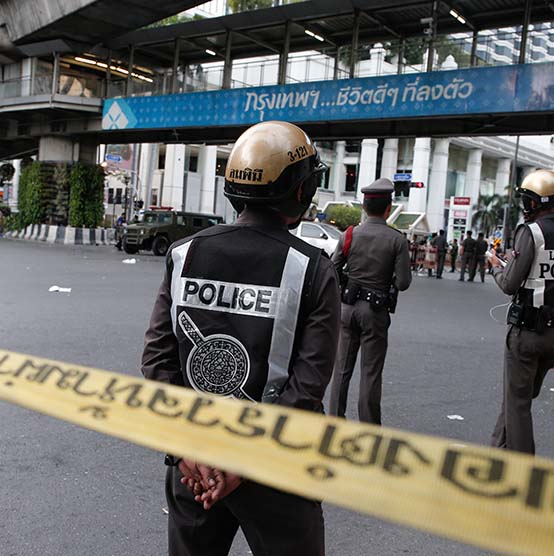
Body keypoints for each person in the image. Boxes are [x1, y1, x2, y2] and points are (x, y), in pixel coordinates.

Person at [141, 121, 339, 556]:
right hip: (277, 468)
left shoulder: (184, 253)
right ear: (301, 191)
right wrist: (244, 462)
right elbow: (307, 385)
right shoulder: (312, 269)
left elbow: (157, 361)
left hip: (194, 464)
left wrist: (184, 449)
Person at [487, 169, 554, 454]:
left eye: (527, 200)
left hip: (527, 335)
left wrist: (496, 266)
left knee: (518, 404)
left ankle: (523, 470)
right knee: (517, 398)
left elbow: (510, 284)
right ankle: (495, 453)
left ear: (535, 202)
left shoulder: (531, 232)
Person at [328, 178, 412, 425]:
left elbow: (333, 269)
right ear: (389, 208)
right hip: (375, 312)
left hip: (347, 308)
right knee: (370, 373)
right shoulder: (396, 240)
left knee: (341, 370)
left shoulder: (350, 234)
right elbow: (403, 283)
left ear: (364, 206)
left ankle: (334, 422)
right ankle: (369, 427)